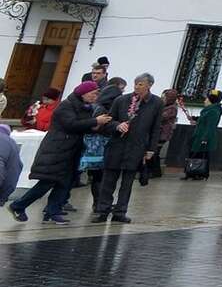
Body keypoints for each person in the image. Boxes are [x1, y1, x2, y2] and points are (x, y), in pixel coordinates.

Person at [10, 83, 104, 223]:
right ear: (84, 93)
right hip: (57, 149)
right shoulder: (66, 105)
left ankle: (52, 211)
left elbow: (81, 126)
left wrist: (95, 126)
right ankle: (18, 205)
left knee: (65, 183)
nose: (95, 97)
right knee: (47, 182)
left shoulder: (86, 107)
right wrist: (94, 121)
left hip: (72, 150)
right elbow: (70, 125)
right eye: (93, 93)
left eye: (97, 94)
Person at [93, 73, 162, 223]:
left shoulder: (156, 103)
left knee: (127, 182)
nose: (137, 86)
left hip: (137, 147)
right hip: (117, 145)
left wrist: (151, 149)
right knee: (108, 180)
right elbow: (108, 121)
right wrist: (117, 125)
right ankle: (103, 210)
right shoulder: (121, 100)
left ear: (149, 85)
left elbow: (156, 127)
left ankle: (120, 211)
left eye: (141, 84)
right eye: (136, 83)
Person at [186, 89, 222, 179]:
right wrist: (194, 119)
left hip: (204, 137)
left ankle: (199, 173)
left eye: (206, 99)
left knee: (202, 156)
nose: (204, 101)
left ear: (211, 100)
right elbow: (203, 120)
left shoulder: (214, 111)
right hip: (199, 136)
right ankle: (192, 172)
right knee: (195, 154)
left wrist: (205, 139)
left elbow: (210, 126)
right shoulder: (209, 110)